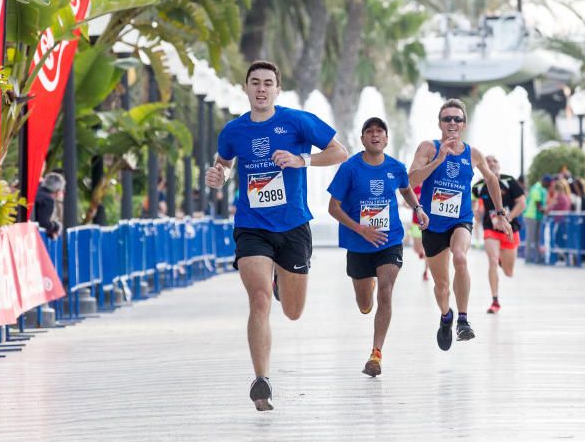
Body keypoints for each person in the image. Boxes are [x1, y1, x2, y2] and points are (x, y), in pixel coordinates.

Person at [204, 60, 347, 411]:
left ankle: (284, 281)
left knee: (294, 312)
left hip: (293, 226)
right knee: (259, 298)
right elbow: (224, 163)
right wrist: (219, 176)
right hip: (252, 226)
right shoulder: (234, 131)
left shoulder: (296, 121)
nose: (262, 88)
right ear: (246, 88)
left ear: (277, 89)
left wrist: (303, 160)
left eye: (268, 83)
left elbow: (340, 151)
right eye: (255, 82)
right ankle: (261, 379)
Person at [408, 98, 511, 351]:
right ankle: (446, 316)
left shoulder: (473, 154)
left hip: (460, 220)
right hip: (432, 224)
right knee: (441, 287)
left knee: (460, 258)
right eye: (447, 119)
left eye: (457, 119)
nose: (452, 123)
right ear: (440, 123)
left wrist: (500, 212)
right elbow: (410, 179)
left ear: (464, 124)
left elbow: (491, 180)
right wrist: (438, 160)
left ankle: (463, 320)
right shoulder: (428, 148)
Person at [327, 117, 426, 377]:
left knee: (386, 290)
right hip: (358, 244)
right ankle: (365, 290)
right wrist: (360, 228)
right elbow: (332, 208)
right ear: (362, 139)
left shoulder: (396, 167)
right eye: (369, 132)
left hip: (389, 240)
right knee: (364, 303)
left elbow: (406, 189)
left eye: (379, 132)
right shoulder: (350, 168)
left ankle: (376, 353)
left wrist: (417, 207)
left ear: (386, 139)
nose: (374, 135)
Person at [470, 155, 526, 314]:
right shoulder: (479, 186)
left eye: (495, 160)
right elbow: (472, 200)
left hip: (510, 229)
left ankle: (503, 260)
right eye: (487, 161)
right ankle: (495, 301)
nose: (491, 163)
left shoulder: (509, 181)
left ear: (499, 165)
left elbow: (522, 203)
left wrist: (506, 219)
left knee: (509, 272)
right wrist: (474, 209)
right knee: (492, 261)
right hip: (490, 229)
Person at [522, 174, 551, 262]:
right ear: (544, 182)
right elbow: (538, 205)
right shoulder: (536, 188)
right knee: (530, 238)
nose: (549, 186)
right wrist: (546, 210)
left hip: (538, 216)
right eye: (548, 183)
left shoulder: (543, 189)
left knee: (537, 238)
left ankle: (537, 257)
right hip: (531, 216)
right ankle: (528, 258)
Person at [33, 173, 64, 239]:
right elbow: (44, 223)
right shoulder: (48, 199)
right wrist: (57, 226)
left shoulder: (36, 192)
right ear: (58, 191)